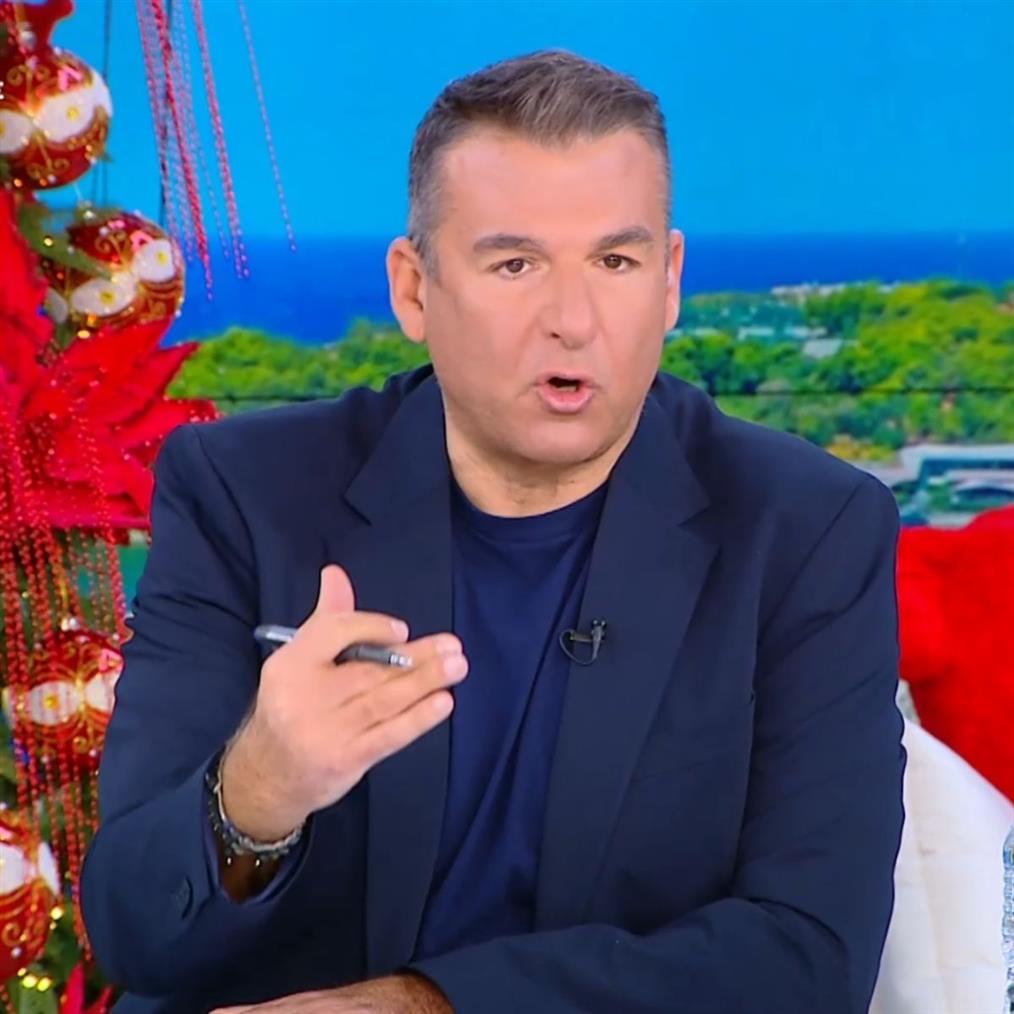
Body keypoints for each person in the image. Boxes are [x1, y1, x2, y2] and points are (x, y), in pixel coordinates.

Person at [81, 49, 906, 1014]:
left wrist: (423, 1006)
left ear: (670, 281)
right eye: (515, 264)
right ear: (414, 289)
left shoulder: (807, 531)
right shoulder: (243, 495)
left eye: (616, 261)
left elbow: (809, 957)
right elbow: (135, 934)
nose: (573, 320)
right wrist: (260, 788)